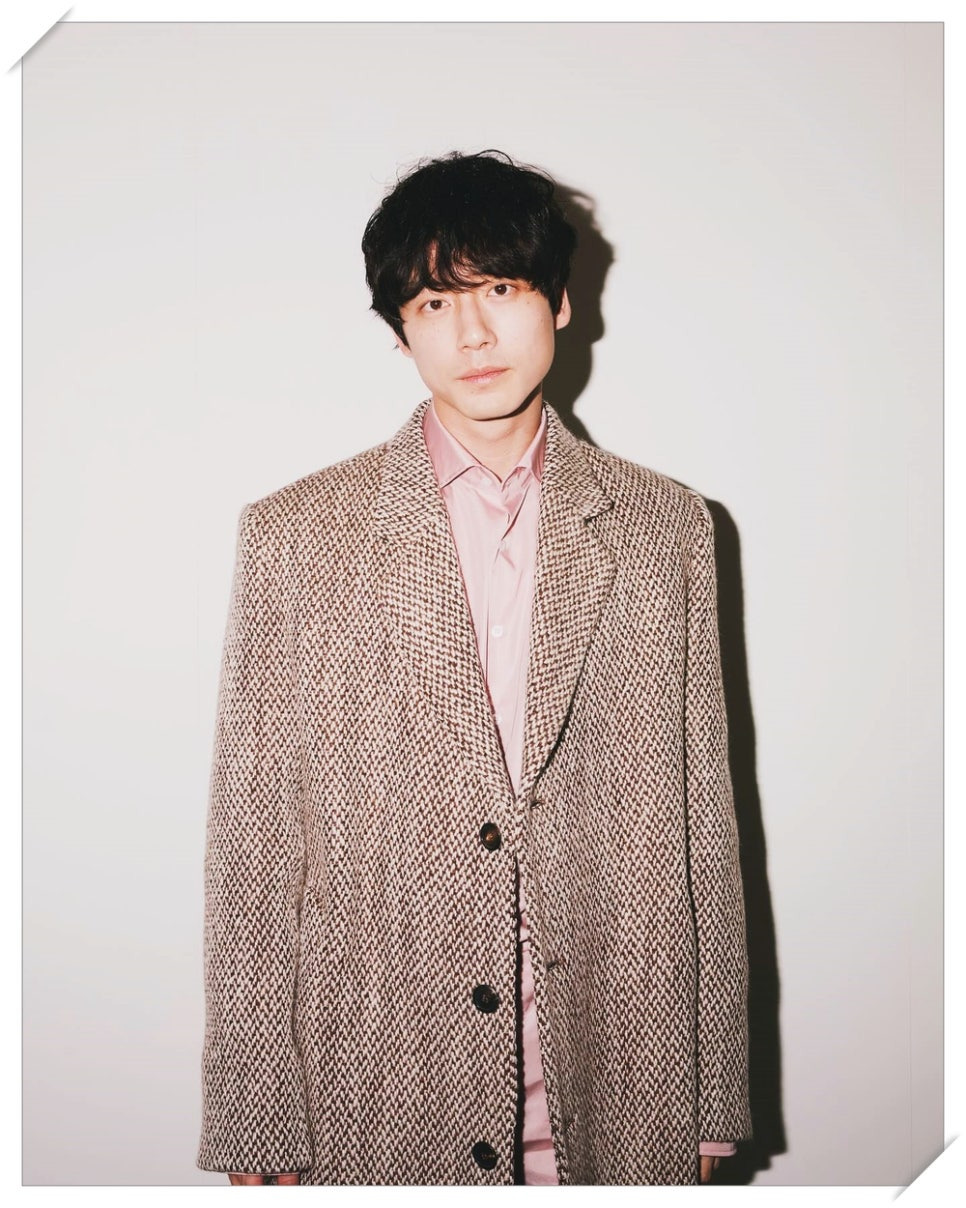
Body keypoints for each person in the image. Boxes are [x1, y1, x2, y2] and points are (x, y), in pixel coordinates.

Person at [196, 149, 752, 1186]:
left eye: (500, 288)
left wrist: (711, 1093)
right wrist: (252, 1109)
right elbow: (255, 845)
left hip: (618, 1067)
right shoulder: (297, 534)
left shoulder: (666, 525)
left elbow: (701, 821)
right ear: (400, 329)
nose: (473, 334)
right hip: (378, 1070)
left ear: (561, 301)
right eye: (435, 302)